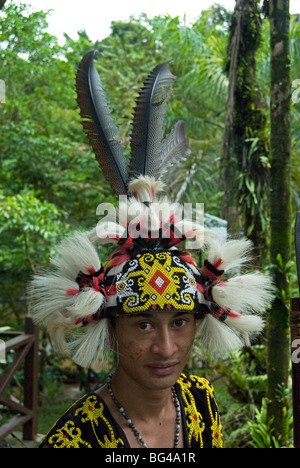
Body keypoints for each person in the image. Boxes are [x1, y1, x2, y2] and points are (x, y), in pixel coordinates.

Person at [28, 53, 274, 449]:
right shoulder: (74, 440)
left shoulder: (200, 402)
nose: (166, 347)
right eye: (143, 324)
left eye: (180, 321)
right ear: (109, 328)